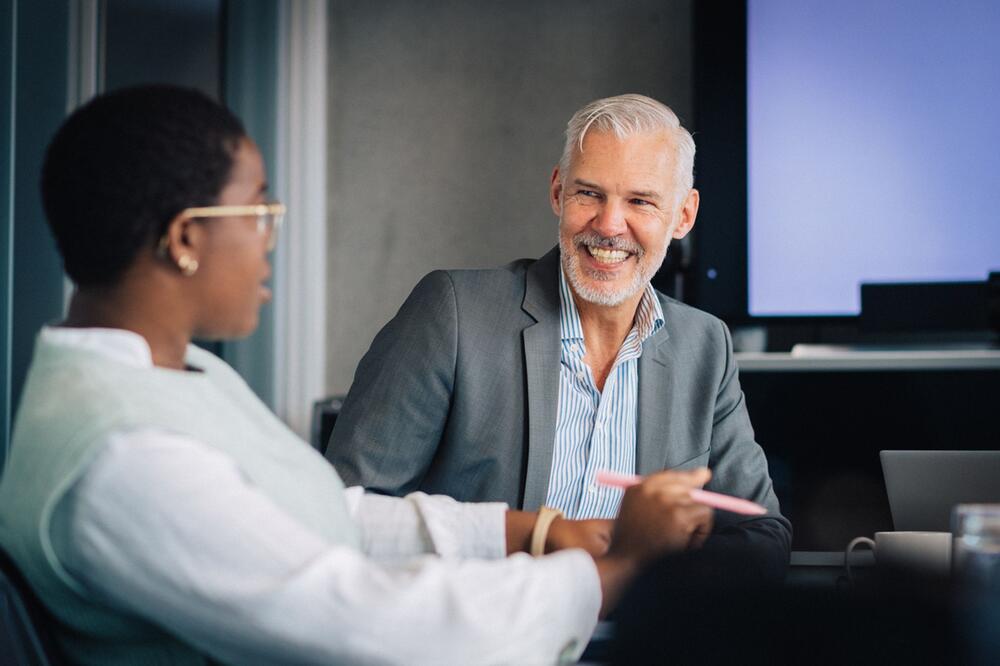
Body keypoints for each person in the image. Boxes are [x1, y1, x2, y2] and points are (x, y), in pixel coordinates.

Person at [0, 86, 716, 665]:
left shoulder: (169, 379)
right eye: (258, 209)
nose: (269, 236)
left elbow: (316, 514)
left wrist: (531, 531)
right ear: (187, 238)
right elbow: (376, 625)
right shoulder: (126, 459)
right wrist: (615, 570)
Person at [327, 94, 790, 572]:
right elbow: (342, 512)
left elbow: (764, 535)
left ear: (683, 217)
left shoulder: (705, 346)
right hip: (486, 636)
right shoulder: (453, 314)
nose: (609, 225)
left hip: (633, 639)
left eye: (640, 201)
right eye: (589, 194)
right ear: (557, 192)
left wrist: (647, 564)